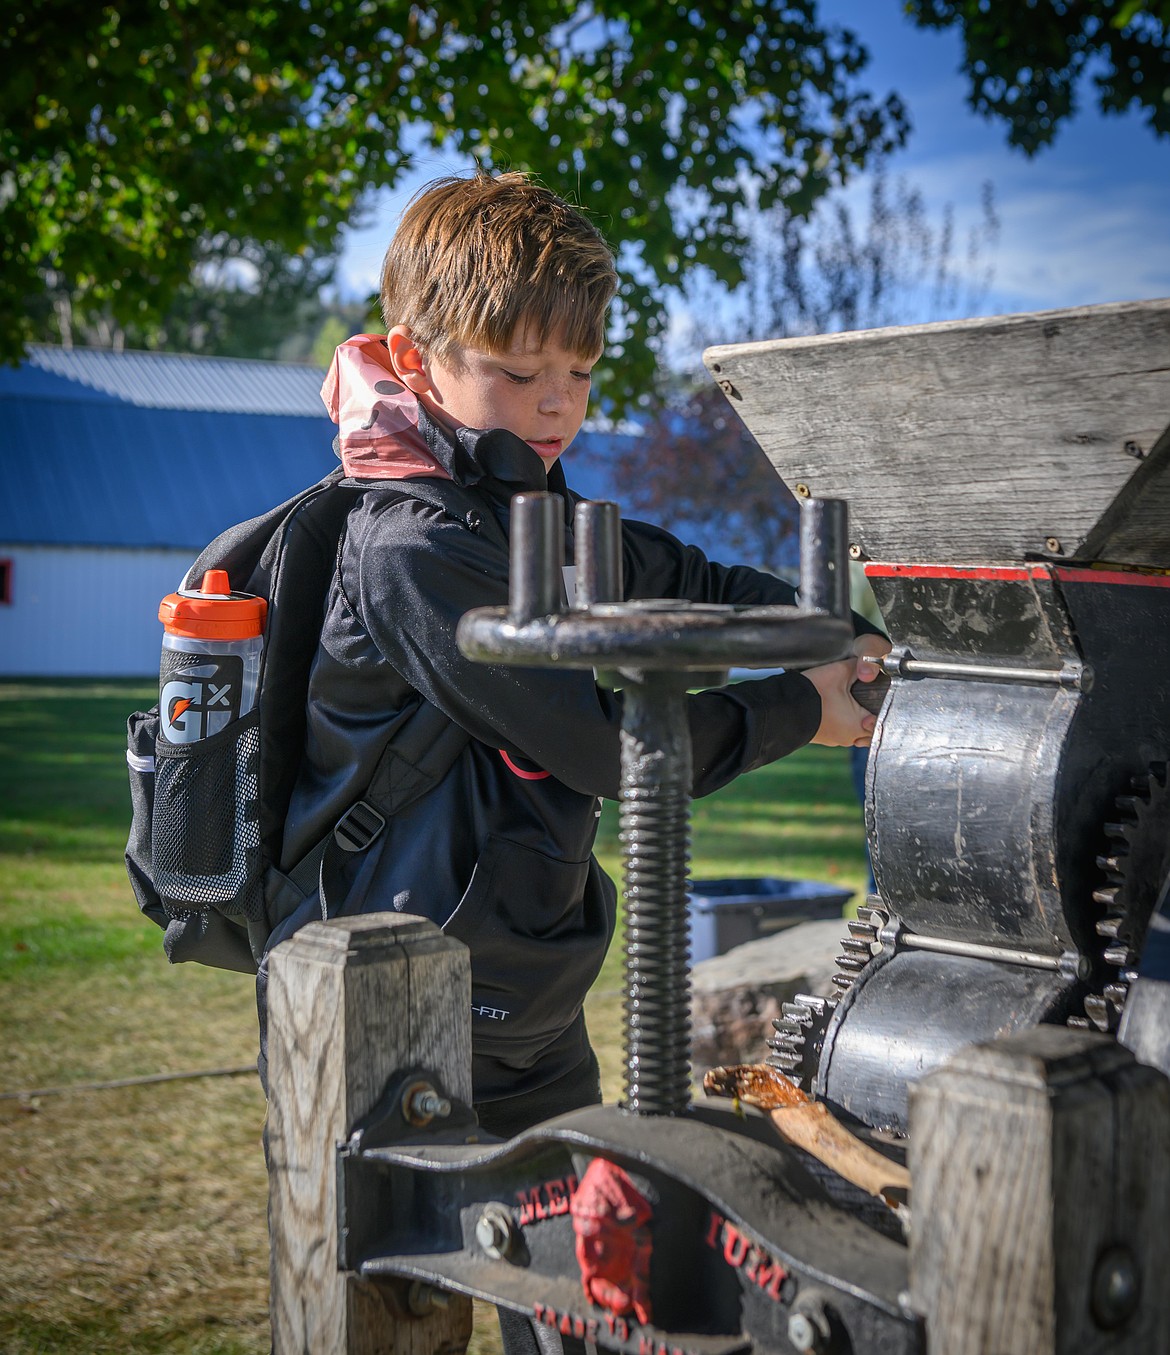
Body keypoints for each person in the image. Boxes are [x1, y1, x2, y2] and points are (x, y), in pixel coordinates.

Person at [260, 172, 887, 1341]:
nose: (556, 410)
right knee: (400, 1302)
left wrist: (834, 626)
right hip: (407, 1011)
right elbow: (605, 750)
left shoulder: (521, 508)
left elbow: (675, 572)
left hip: (533, 988)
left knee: (593, 1296)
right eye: (517, 372)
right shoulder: (411, 550)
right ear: (416, 355)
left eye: (580, 377)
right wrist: (802, 708)